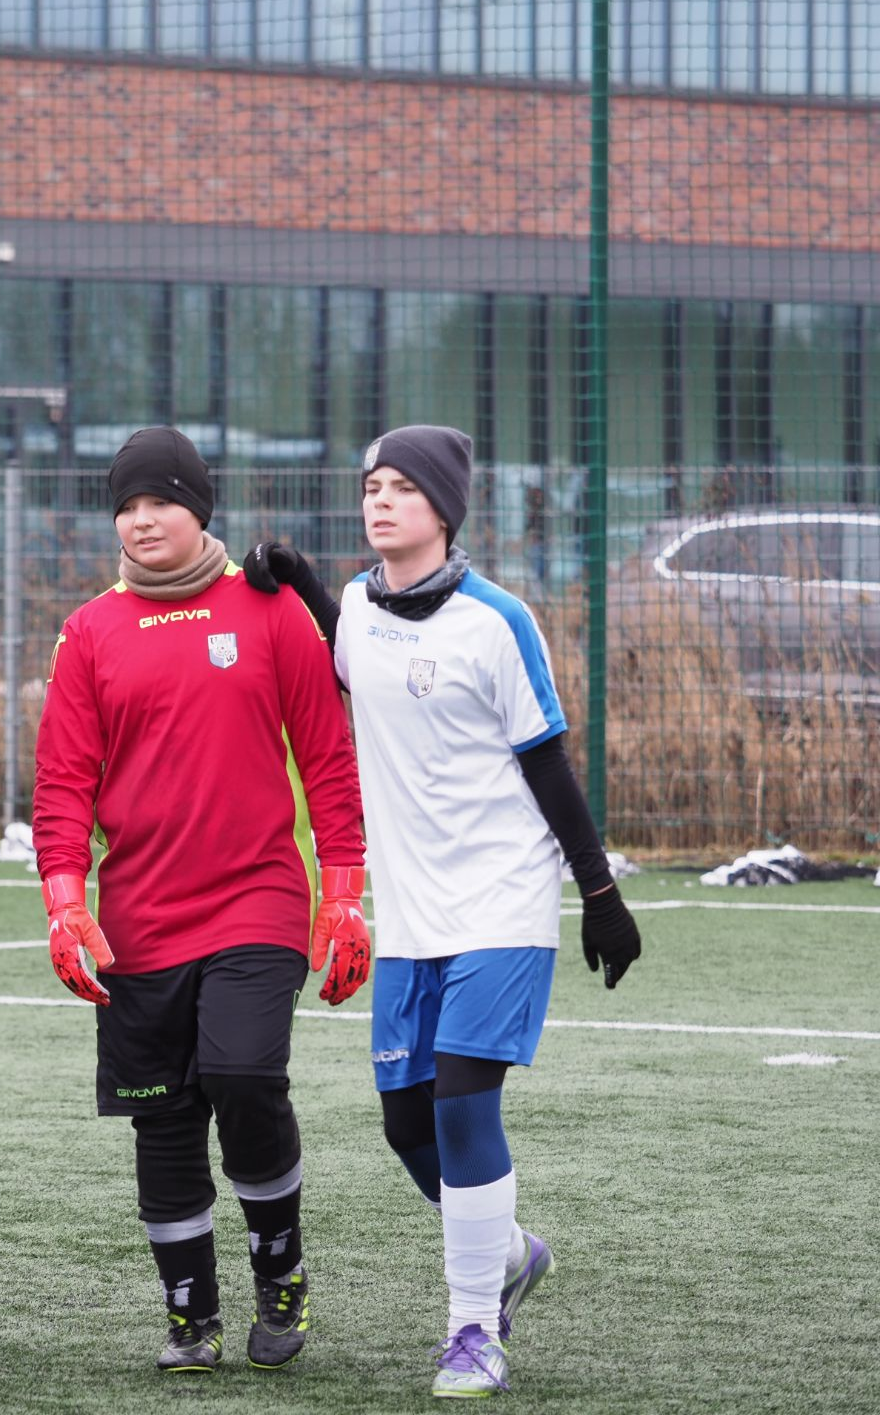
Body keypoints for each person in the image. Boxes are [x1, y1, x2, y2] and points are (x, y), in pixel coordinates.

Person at [244, 424, 643, 1399]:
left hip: (503, 898)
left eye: (403, 487)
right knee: (405, 1126)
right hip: (412, 914)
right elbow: (357, 662)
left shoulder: (497, 621)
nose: (380, 500)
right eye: (371, 485)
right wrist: (299, 579)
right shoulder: (358, 607)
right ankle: (506, 1252)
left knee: (464, 1101)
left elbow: (547, 760)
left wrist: (598, 892)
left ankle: (473, 1331)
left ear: (446, 509)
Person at [31, 428, 370, 1378]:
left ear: (199, 509)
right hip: (139, 919)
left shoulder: (268, 609)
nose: (141, 521)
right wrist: (64, 900)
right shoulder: (89, 631)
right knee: (165, 1118)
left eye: (161, 502)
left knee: (244, 1076)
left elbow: (328, 756)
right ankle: (192, 1317)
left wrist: (344, 893)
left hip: (257, 900)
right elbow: (62, 780)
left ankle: (281, 1274)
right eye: (126, 507)